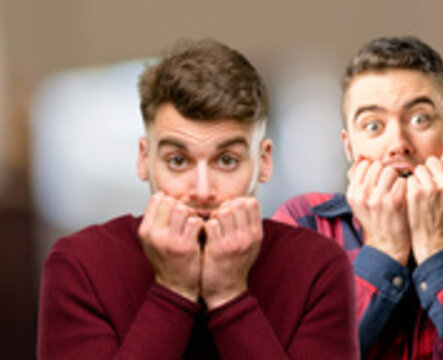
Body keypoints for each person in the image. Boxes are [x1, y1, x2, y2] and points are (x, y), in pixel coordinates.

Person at [38, 38, 356, 359]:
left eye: (227, 161)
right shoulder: (80, 266)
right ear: (143, 160)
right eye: (178, 161)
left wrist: (230, 296)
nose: (202, 192)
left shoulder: (318, 268)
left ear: (265, 161)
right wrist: (172, 291)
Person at [274, 36, 443, 360]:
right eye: (373, 125)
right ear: (349, 148)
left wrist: (438, 246)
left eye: (420, 119)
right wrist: (383, 251)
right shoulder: (305, 225)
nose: (398, 144)